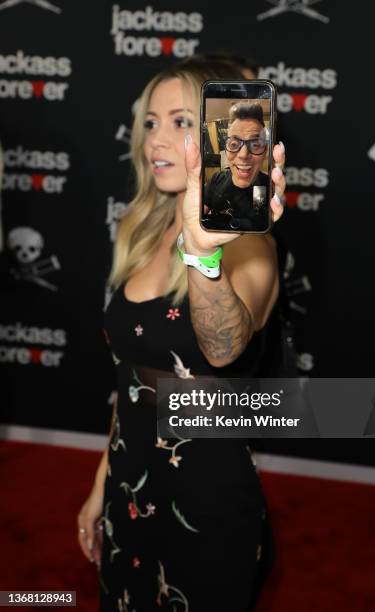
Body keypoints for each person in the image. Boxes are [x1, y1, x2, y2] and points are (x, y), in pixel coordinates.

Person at [77, 56, 285, 612]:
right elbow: (131, 379)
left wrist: (202, 252)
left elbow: (222, 346)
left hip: (204, 495)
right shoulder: (139, 228)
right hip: (129, 478)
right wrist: (102, 480)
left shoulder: (249, 243)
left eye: (181, 121)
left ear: (219, 135)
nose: (156, 140)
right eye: (150, 122)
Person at [204, 102, 270, 231]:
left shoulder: (262, 187)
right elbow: (202, 210)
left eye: (255, 145)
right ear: (226, 149)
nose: (243, 155)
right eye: (234, 144)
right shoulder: (217, 178)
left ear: (265, 151)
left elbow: (256, 225)